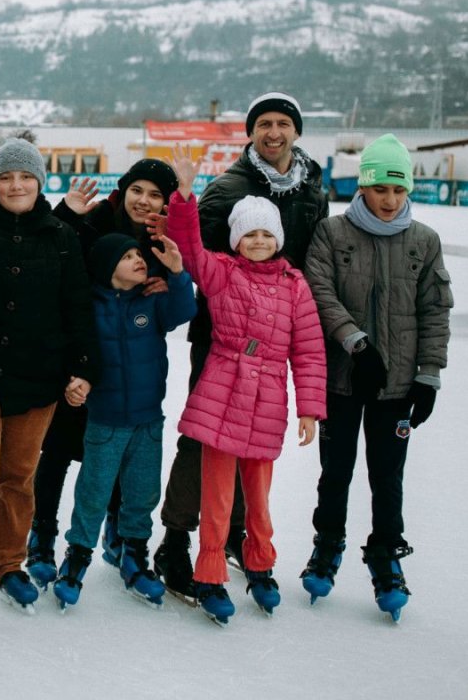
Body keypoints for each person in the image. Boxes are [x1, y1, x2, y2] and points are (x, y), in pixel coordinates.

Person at [154, 92, 329, 600]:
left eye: (283, 124)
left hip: (278, 333)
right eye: (264, 124)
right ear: (251, 132)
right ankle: (177, 538)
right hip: (224, 335)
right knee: (205, 441)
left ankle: (237, 537)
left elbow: (313, 258)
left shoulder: (311, 187)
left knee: (252, 449)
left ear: (296, 131)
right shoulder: (229, 187)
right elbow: (195, 254)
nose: (274, 132)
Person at [0, 138, 99, 617]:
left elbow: (77, 306)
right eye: (6, 177)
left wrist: (83, 368)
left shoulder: (61, 235)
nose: (15, 185)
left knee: (18, 476)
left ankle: (8, 564)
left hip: (37, 375)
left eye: (25, 176)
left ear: (40, 182)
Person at [300, 134, 451, 621]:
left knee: (387, 475)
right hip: (343, 379)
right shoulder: (332, 233)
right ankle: (327, 543)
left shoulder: (424, 241)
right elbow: (319, 291)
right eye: (380, 188)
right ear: (363, 186)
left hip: (398, 385)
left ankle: (386, 553)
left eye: (398, 190)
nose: (389, 200)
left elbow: (435, 311)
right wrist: (356, 343)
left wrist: (428, 376)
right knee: (336, 470)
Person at [28, 158, 179, 588]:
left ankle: (117, 531)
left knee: (120, 447)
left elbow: (178, 291)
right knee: (58, 447)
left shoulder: (161, 238)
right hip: (77, 353)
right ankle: (41, 533)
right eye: (137, 190)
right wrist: (66, 213)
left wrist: (169, 280)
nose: (144, 201)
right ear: (123, 191)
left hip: (124, 364)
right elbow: (50, 248)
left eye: (155, 195)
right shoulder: (95, 219)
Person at [51, 231, 196, 610]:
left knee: (142, 491)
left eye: (139, 254)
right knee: (94, 491)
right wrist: (73, 382)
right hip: (105, 420)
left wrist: (178, 274)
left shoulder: (152, 298)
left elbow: (184, 312)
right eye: (127, 256)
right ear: (105, 267)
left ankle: (135, 554)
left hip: (148, 420)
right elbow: (73, 352)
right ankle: (77, 557)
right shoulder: (89, 306)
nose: (138, 260)